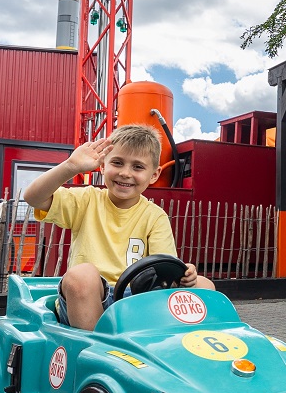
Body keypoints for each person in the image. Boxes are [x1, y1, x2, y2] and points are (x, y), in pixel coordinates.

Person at [22, 124, 213, 330]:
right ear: (103, 165)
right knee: (81, 275)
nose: (125, 173)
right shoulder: (87, 200)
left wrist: (185, 276)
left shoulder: (155, 216)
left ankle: (186, 348)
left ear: (154, 174)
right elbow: (34, 197)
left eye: (137, 167)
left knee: (205, 286)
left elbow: (165, 267)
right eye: (117, 163)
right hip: (90, 297)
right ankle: (94, 348)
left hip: (137, 302)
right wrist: (70, 166)